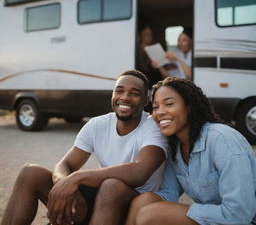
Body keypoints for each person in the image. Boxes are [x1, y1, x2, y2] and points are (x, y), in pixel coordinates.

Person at [1, 70, 169, 225]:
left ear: (146, 101)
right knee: (30, 172)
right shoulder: (98, 124)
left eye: (134, 93)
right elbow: (65, 165)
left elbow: (139, 172)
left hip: (131, 206)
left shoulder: (153, 127)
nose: (124, 97)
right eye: (119, 91)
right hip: (100, 200)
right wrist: (63, 184)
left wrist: (78, 178)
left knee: (111, 186)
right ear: (113, 94)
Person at [125, 76, 256, 225]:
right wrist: (142, 201)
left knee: (149, 215)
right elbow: (169, 193)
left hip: (241, 220)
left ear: (190, 106)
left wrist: (176, 212)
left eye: (169, 104)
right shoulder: (176, 146)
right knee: (143, 203)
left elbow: (239, 214)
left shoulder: (222, 139)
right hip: (214, 220)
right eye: (155, 107)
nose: (160, 112)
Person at [137, 24, 162, 88]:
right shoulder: (136, 52)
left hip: (155, 85)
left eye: (150, 35)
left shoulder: (155, 50)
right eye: (146, 35)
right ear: (140, 36)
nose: (149, 38)